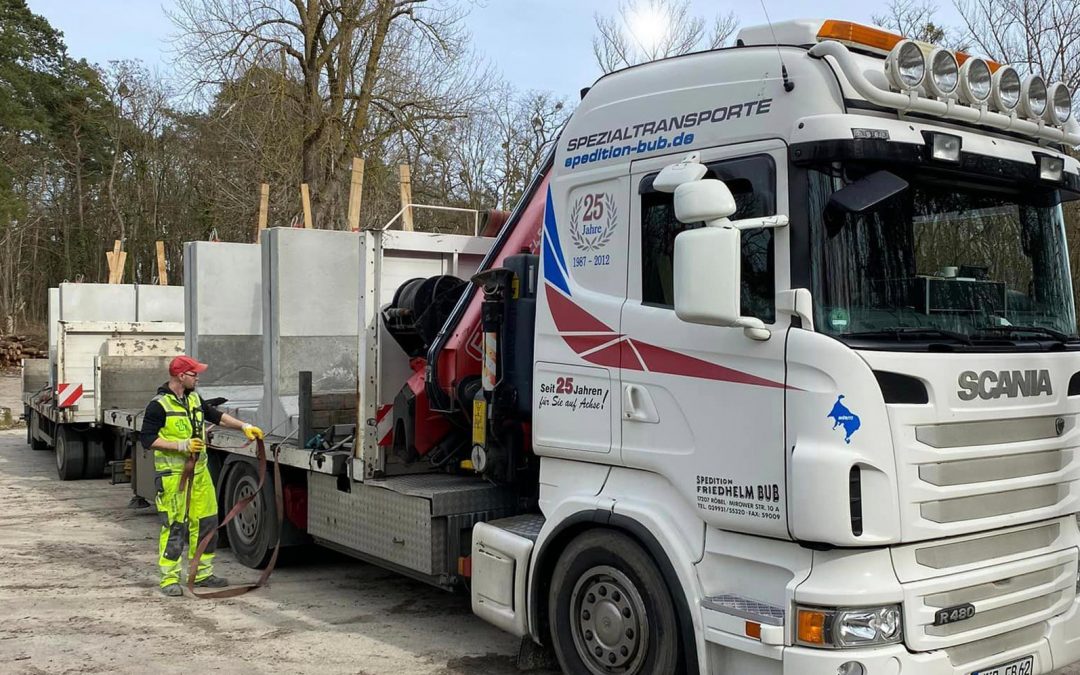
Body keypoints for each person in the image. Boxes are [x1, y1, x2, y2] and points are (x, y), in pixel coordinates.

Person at [139, 355, 264, 597]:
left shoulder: (193, 397)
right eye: (194, 373)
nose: (198, 377)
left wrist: (243, 426)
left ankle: (202, 573)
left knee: (207, 522)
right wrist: (181, 445)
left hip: (199, 473)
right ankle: (169, 579)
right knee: (175, 526)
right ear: (180, 376)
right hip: (174, 476)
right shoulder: (158, 405)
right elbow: (147, 439)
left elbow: (214, 415)